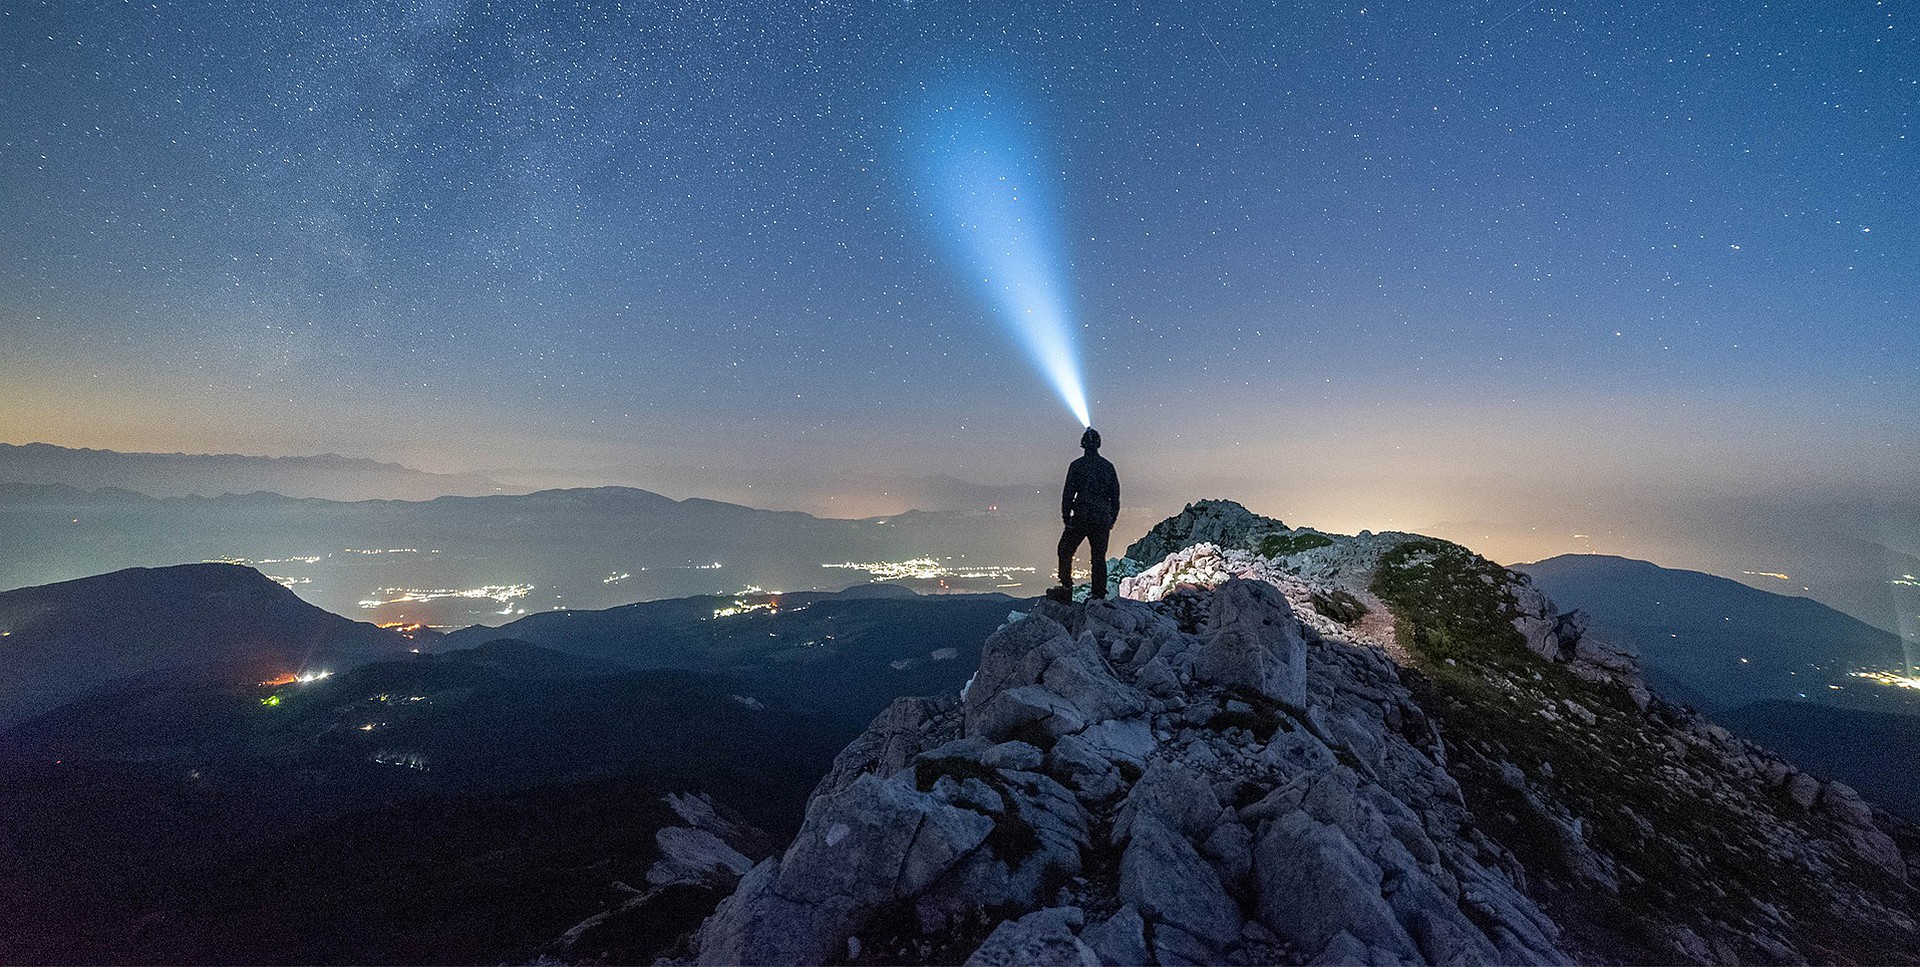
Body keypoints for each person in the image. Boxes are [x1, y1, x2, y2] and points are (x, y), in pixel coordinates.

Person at [1051, 427, 1120, 601]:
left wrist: (1066, 516)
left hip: (1081, 516)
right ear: (1099, 443)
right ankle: (1098, 594)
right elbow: (1115, 496)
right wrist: (1111, 519)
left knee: (1065, 549)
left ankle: (1066, 588)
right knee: (1098, 557)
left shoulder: (1077, 466)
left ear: (1082, 444)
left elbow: (1068, 493)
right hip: (1102, 519)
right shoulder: (1108, 466)